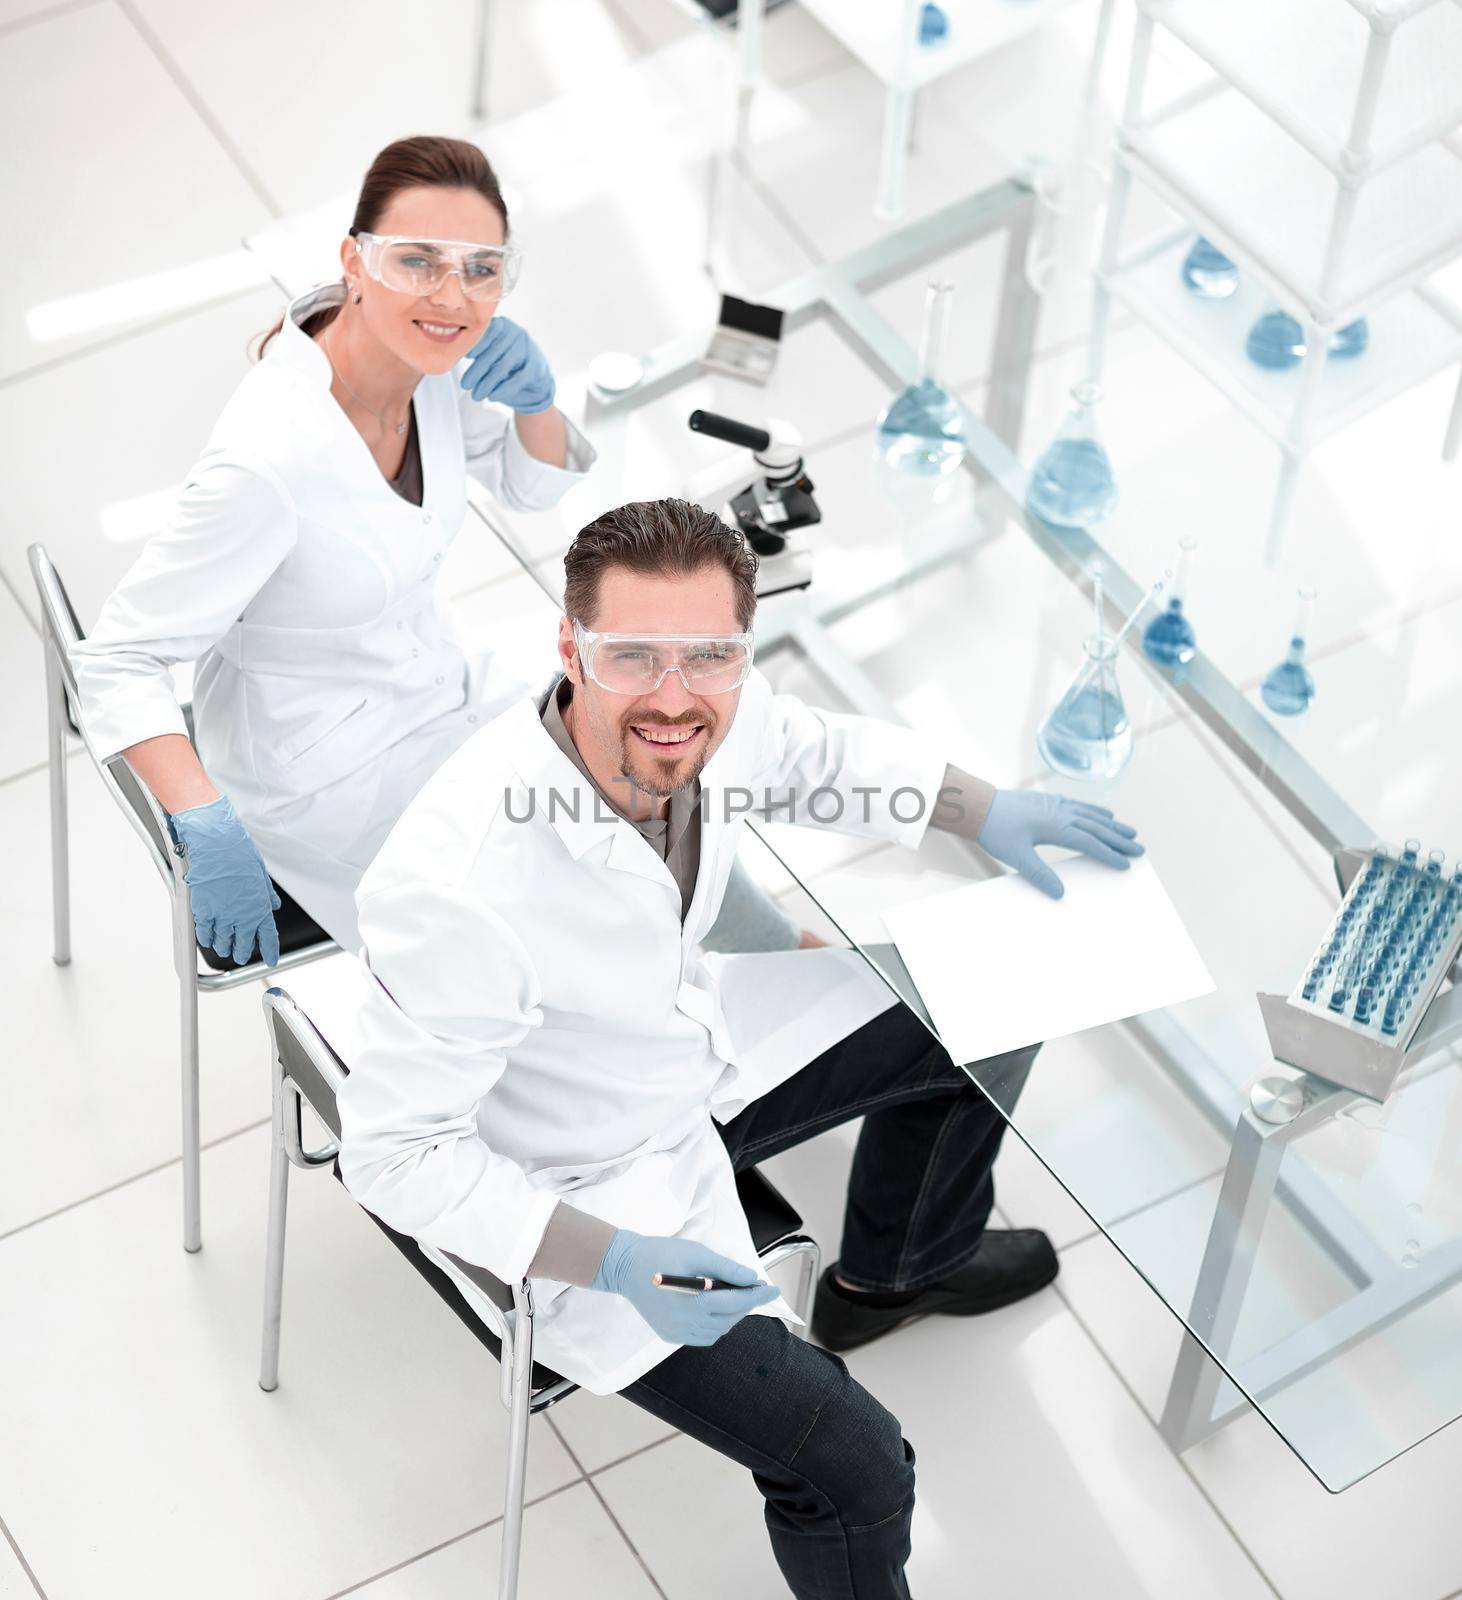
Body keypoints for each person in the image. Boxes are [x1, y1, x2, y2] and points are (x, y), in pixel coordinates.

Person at [336, 498, 1145, 1598]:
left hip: (691, 1056)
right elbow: (393, 1157)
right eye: (632, 659)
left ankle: (899, 1267)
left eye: (710, 657)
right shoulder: (462, 882)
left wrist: (979, 806)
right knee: (857, 1470)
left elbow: (807, 751)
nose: (674, 699)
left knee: (996, 990)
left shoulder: (704, 699)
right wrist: (614, 1260)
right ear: (568, 648)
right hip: (581, 1180)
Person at [68, 135, 800, 962]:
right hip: (330, 778)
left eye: (481, 268)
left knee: (656, 729)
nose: (453, 295)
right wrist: (203, 820)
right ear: (355, 260)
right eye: (417, 261)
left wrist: (537, 400)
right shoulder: (267, 462)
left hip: (438, 688)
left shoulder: (425, 369)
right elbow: (117, 660)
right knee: (610, 854)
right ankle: (771, 978)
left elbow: (532, 485)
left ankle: (770, 958)